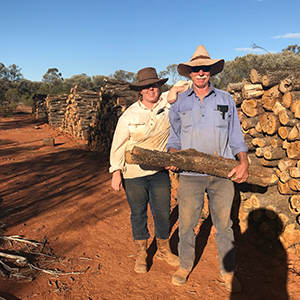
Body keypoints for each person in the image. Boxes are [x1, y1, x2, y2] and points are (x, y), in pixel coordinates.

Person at [167, 45, 249, 292]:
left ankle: (228, 271)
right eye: (196, 69)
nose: (201, 72)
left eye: (205, 68)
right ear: (189, 73)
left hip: (222, 173)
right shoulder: (179, 103)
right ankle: (184, 265)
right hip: (190, 176)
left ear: (211, 71)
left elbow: (236, 135)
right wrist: (173, 156)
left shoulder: (225, 99)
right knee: (187, 223)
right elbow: (174, 138)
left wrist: (243, 161)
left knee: (224, 225)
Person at [109, 67, 180, 274]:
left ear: (160, 86)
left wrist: (174, 90)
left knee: (162, 213)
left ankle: (163, 249)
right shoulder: (129, 115)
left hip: (159, 172)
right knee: (138, 213)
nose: (151, 89)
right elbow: (118, 144)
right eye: (146, 86)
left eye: (155, 85)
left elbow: (186, 86)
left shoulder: (167, 103)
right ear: (139, 90)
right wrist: (116, 172)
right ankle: (141, 253)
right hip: (133, 174)